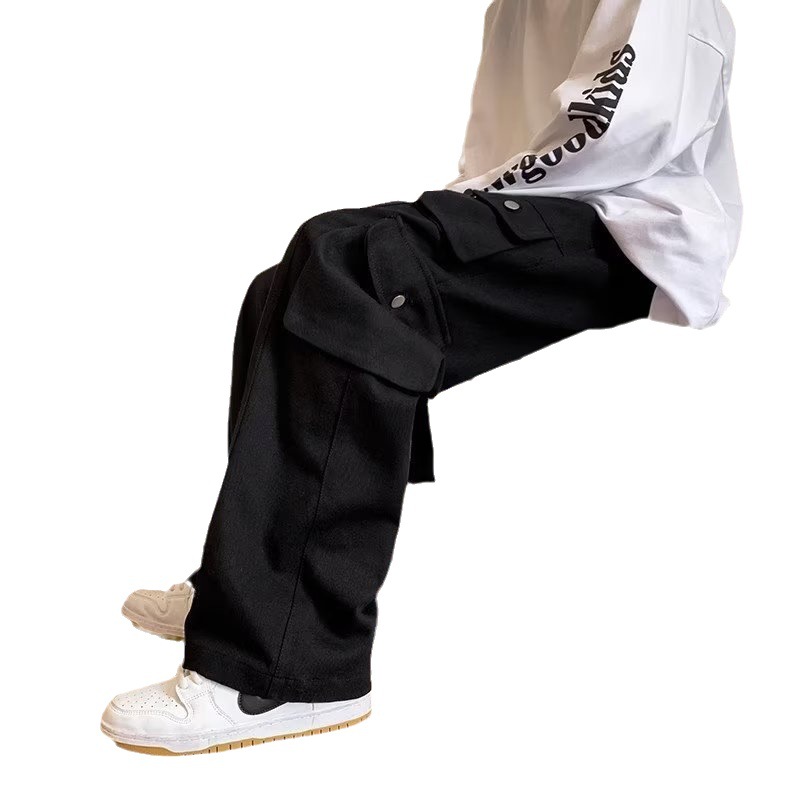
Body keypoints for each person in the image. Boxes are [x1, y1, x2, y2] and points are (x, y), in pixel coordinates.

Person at [101, 0, 741, 756]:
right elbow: (505, 133)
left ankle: (289, 667)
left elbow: (628, 129)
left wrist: (459, 212)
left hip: (631, 227)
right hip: (556, 202)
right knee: (287, 283)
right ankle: (246, 584)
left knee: (357, 277)